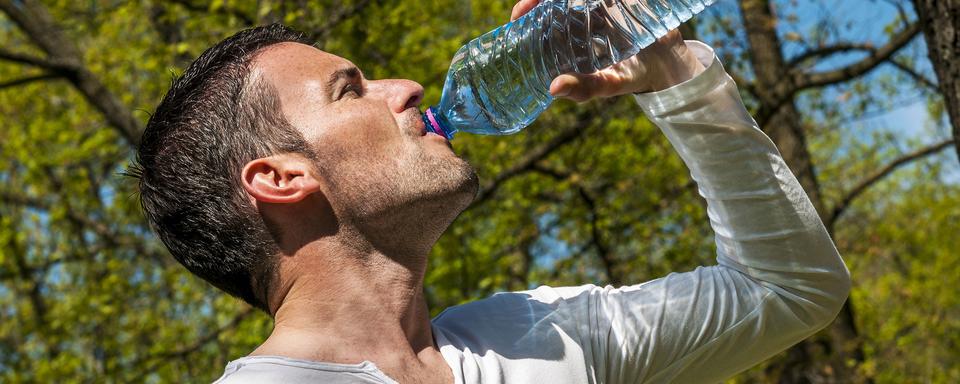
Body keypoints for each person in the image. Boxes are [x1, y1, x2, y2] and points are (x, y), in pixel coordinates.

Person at [132, 1, 851, 383]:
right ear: (283, 178)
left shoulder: (536, 338)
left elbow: (786, 290)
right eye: (350, 89)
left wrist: (674, 76)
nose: (408, 87)